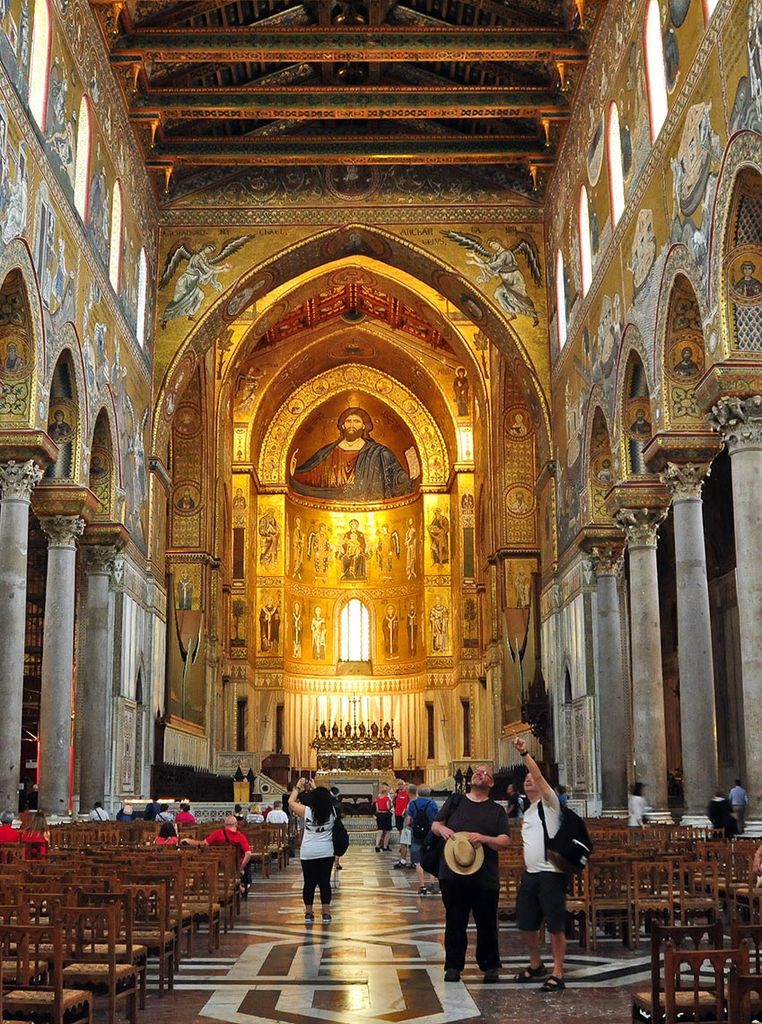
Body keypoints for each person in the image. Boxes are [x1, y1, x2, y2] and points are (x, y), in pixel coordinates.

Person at [431, 764, 510, 984]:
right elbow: (436, 825)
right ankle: (453, 966)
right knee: (455, 922)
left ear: (491, 783)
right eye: (477, 771)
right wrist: (443, 830)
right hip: (453, 873)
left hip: (484, 876)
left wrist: (485, 839)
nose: (478, 773)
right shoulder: (456, 801)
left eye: (485, 773)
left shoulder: (496, 811)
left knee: (486, 923)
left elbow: (505, 840)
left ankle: (490, 966)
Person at [511, 737, 567, 992]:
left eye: (531, 779)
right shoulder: (530, 810)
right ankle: (536, 964)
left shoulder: (550, 803)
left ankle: (558, 971)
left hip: (550, 875)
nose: (528, 780)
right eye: (525, 780)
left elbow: (539, 777)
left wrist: (524, 753)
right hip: (531, 875)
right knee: (525, 923)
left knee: (555, 925)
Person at [288, 779, 336, 923]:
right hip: (326, 851)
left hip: (308, 852)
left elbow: (290, 803)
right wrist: (316, 788)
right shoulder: (332, 812)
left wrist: (297, 787)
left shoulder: (307, 811)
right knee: (324, 883)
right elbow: (330, 799)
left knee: (309, 883)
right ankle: (326, 913)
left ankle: (309, 913)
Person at [182, 815, 252, 896]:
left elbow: (203, 844)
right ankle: (243, 884)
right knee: (247, 864)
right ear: (236, 824)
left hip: (217, 864)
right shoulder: (241, 837)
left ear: (225, 824)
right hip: (234, 865)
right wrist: (240, 867)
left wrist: (188, 840)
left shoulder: (217, 834)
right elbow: (248, 854)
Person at [405, 785, 439, 895]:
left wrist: (412, 825)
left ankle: (422, 886)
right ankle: (432, 883)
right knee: (432, 857)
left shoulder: (412, 804)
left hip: (417, 834)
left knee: (418, 861)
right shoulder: (432, 804)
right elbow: (437, 819)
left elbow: (408, 821)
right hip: (430, 833)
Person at [393, 780, 410, 865]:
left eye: (401, 784)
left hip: (404, 814)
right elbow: (394, 803)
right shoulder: (396, 794)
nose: (400, 786)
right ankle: (402, 844)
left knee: (404, 830)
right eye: (398, 784)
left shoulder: (407, 794)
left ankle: (404, 845)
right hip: (397, 814)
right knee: (399, 829)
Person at [374, 784, 393, 852]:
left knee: (380, 830)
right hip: (386, 814)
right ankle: (385, 846)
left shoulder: (378, 798)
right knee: (387, 831)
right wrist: (391, 805)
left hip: (379, 814)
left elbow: (377, 808)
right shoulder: (386, 798)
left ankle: (377, 845)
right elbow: (388, 807)